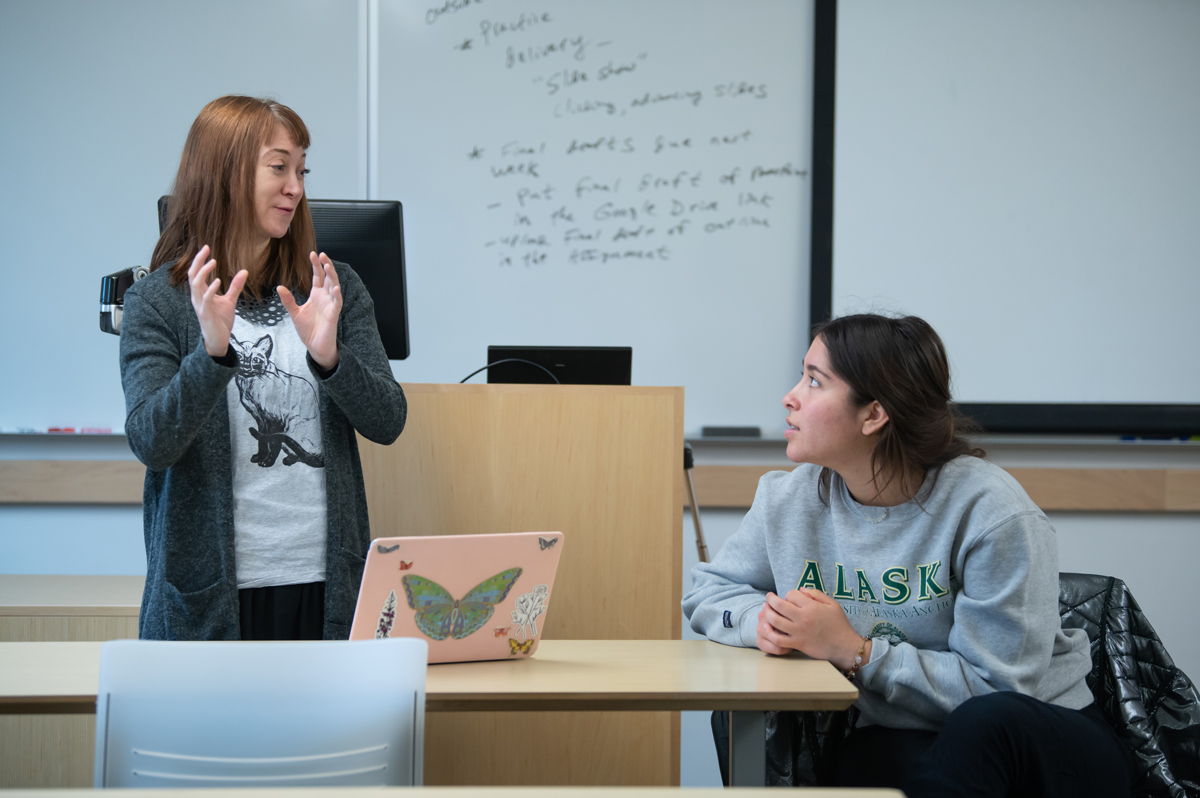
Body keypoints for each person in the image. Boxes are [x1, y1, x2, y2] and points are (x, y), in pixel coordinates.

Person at [682, 314, 1131, 795]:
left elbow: (997, 691)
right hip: (902, 730)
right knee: (864, 766)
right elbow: (709, 592)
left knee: (981, 726)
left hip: (1043, 739)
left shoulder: (992, 513)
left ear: (873, 415)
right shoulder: (788, 499)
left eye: (814, 381)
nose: (790, 396)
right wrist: (764, 623)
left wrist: (854, 651)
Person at [119, 96, 406, 641]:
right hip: (210, 594)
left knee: (327, 730)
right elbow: (152, 443)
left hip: (325, 588)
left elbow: (388, 421)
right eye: (279, 167)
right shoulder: (159, 301)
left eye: (301, 170)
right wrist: (210, 356)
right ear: (224, 173)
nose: (296, 186)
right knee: (214, 730)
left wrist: (330, 359)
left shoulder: (331, 286)